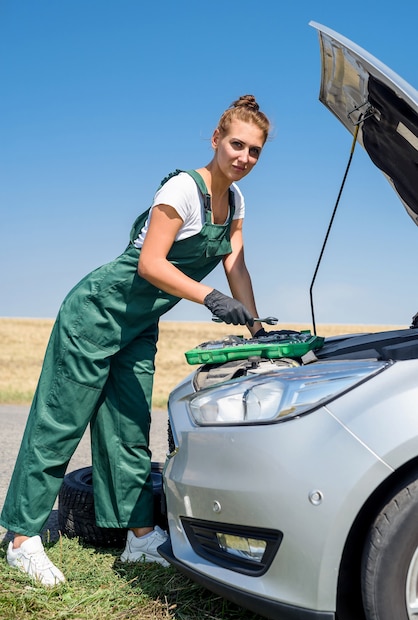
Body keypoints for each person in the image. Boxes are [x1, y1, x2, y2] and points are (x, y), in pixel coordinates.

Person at [0, 94, 271, 586]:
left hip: (139, 325)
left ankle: (139, 537)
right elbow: (151, 264)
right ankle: (21, 538)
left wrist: (256, 327)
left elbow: (237, 263)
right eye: (236, 145)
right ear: (216, 138)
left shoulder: (237, 201)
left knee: (129, 427)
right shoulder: (182, 189)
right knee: (59, 423)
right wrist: (209, 299)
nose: (243, 158)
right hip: (98, 311)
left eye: (254, 151)